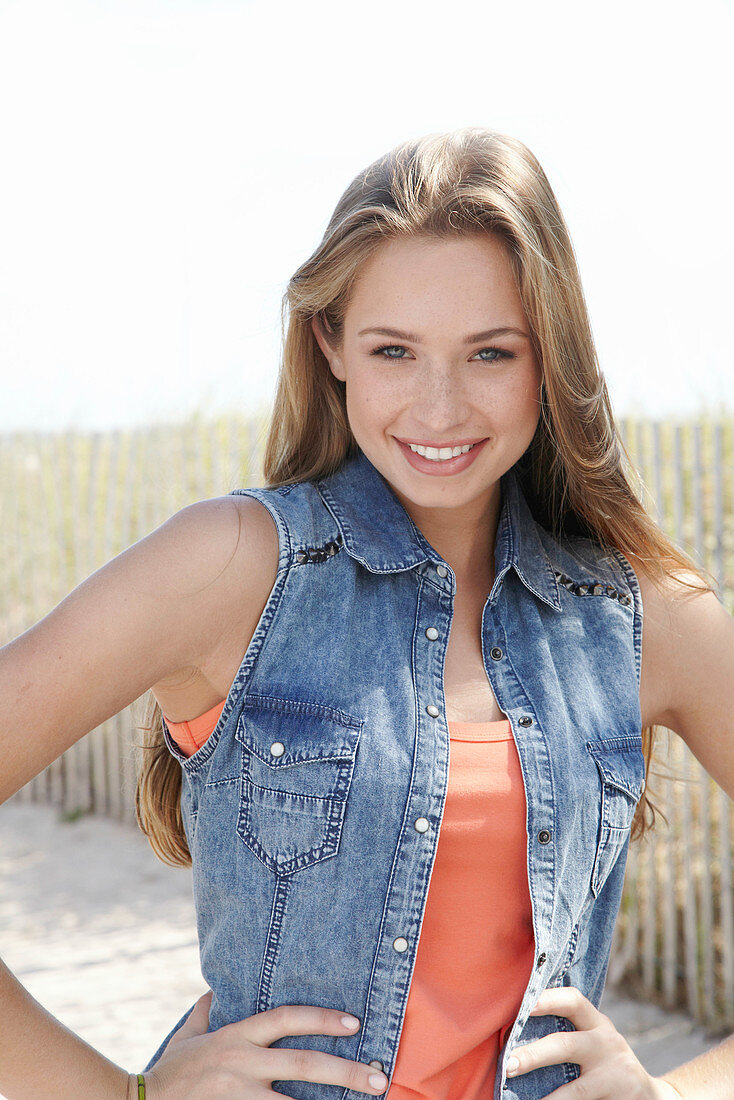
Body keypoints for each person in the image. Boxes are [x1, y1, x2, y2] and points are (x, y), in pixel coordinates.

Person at [1, 126, 733, 1100]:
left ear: (547, 357)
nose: (438, 406)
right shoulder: (230, 567)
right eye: (394, 349)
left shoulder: (642, 615)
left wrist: (675, 1091)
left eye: (488, 353)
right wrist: (121, 1095)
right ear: (330, 343)